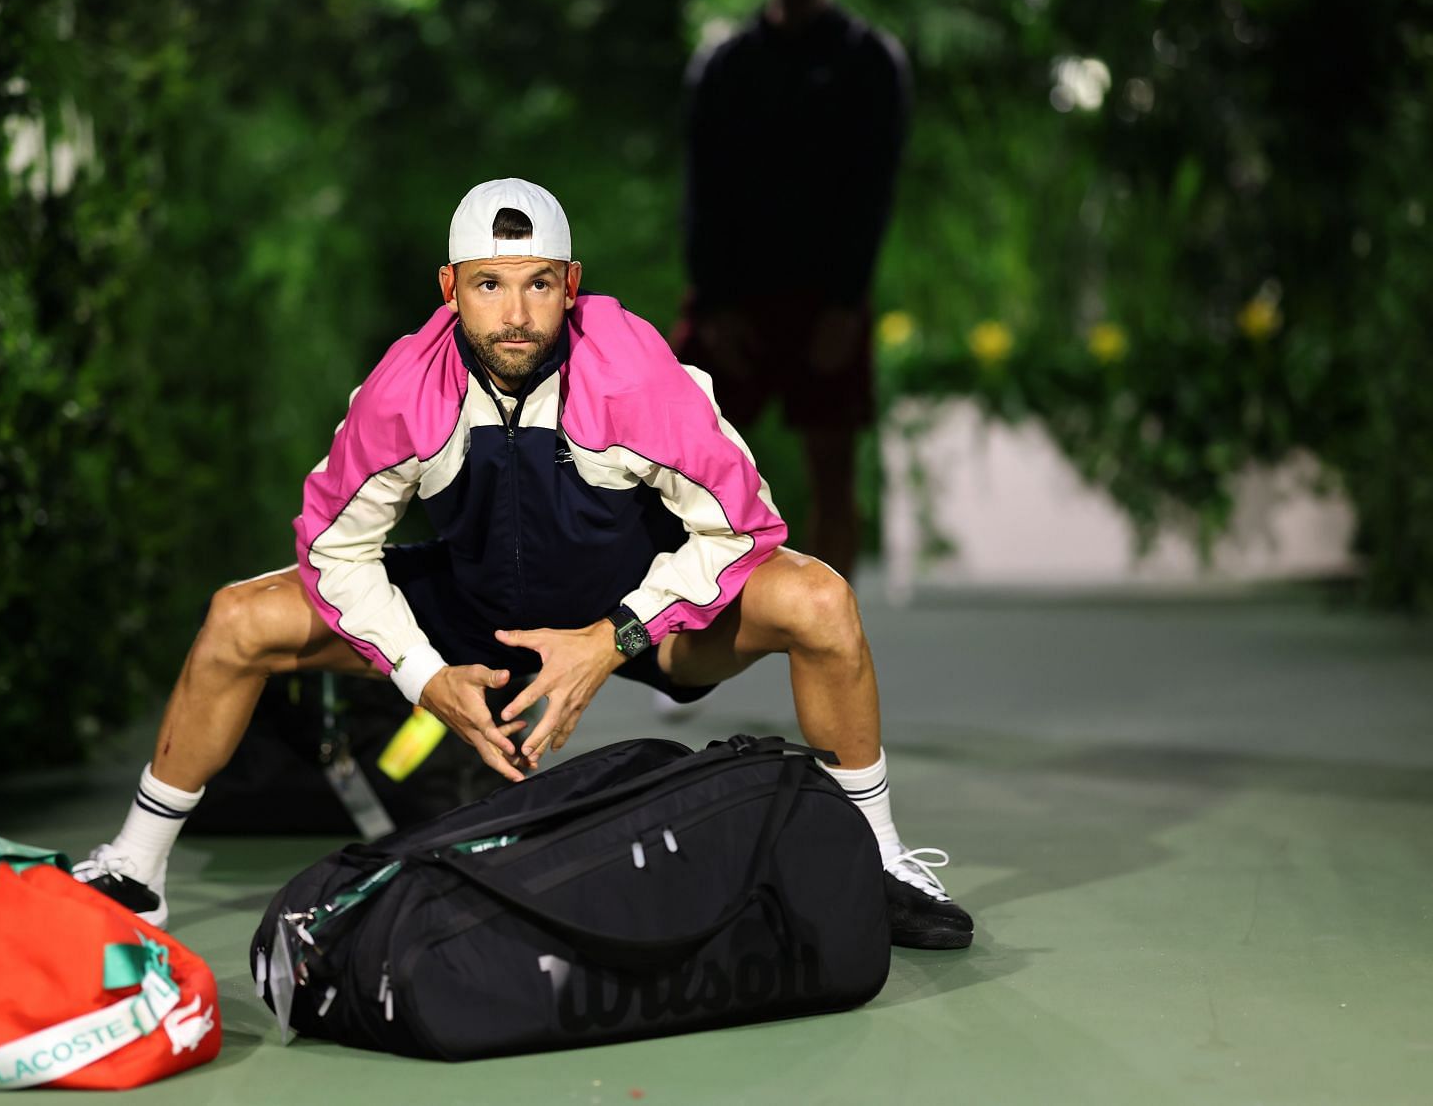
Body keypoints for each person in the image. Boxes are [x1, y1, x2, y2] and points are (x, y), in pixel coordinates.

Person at [71, 177, 972, 949]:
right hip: (468, 616)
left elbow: (741, 529)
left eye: (539, 284)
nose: (515, 313)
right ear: (450, 287)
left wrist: (609, 639)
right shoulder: (403, 395)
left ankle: (880, 861)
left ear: (571, 285)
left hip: (637, 611)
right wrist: (424, 676)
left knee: (819, 601)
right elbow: (337, 551)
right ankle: (138, 868)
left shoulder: (637, 380)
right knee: (239, 618)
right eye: (489, 285)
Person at [674, 0, 913, 580]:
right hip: (735, 301)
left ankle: (829, 640)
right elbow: (703, 192)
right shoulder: (725, 66)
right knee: (689, 469)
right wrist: (714, 307)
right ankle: (684, 632)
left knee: (832, 474)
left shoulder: (869, 62)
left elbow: (872, 191)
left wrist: (845, 303)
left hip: (825, 299)